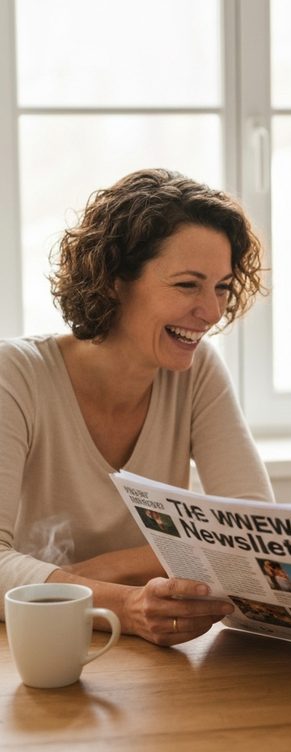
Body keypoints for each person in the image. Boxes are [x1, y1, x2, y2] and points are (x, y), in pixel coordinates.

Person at [0, 168, 274, 647]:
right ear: (113, 281)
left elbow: (251, 533)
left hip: (153, 654)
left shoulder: (197, 371)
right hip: (41, 649)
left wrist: (100, 571)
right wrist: (123, 603)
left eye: (222, 287)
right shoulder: (15, 375)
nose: (211, 313)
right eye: (189, 285)